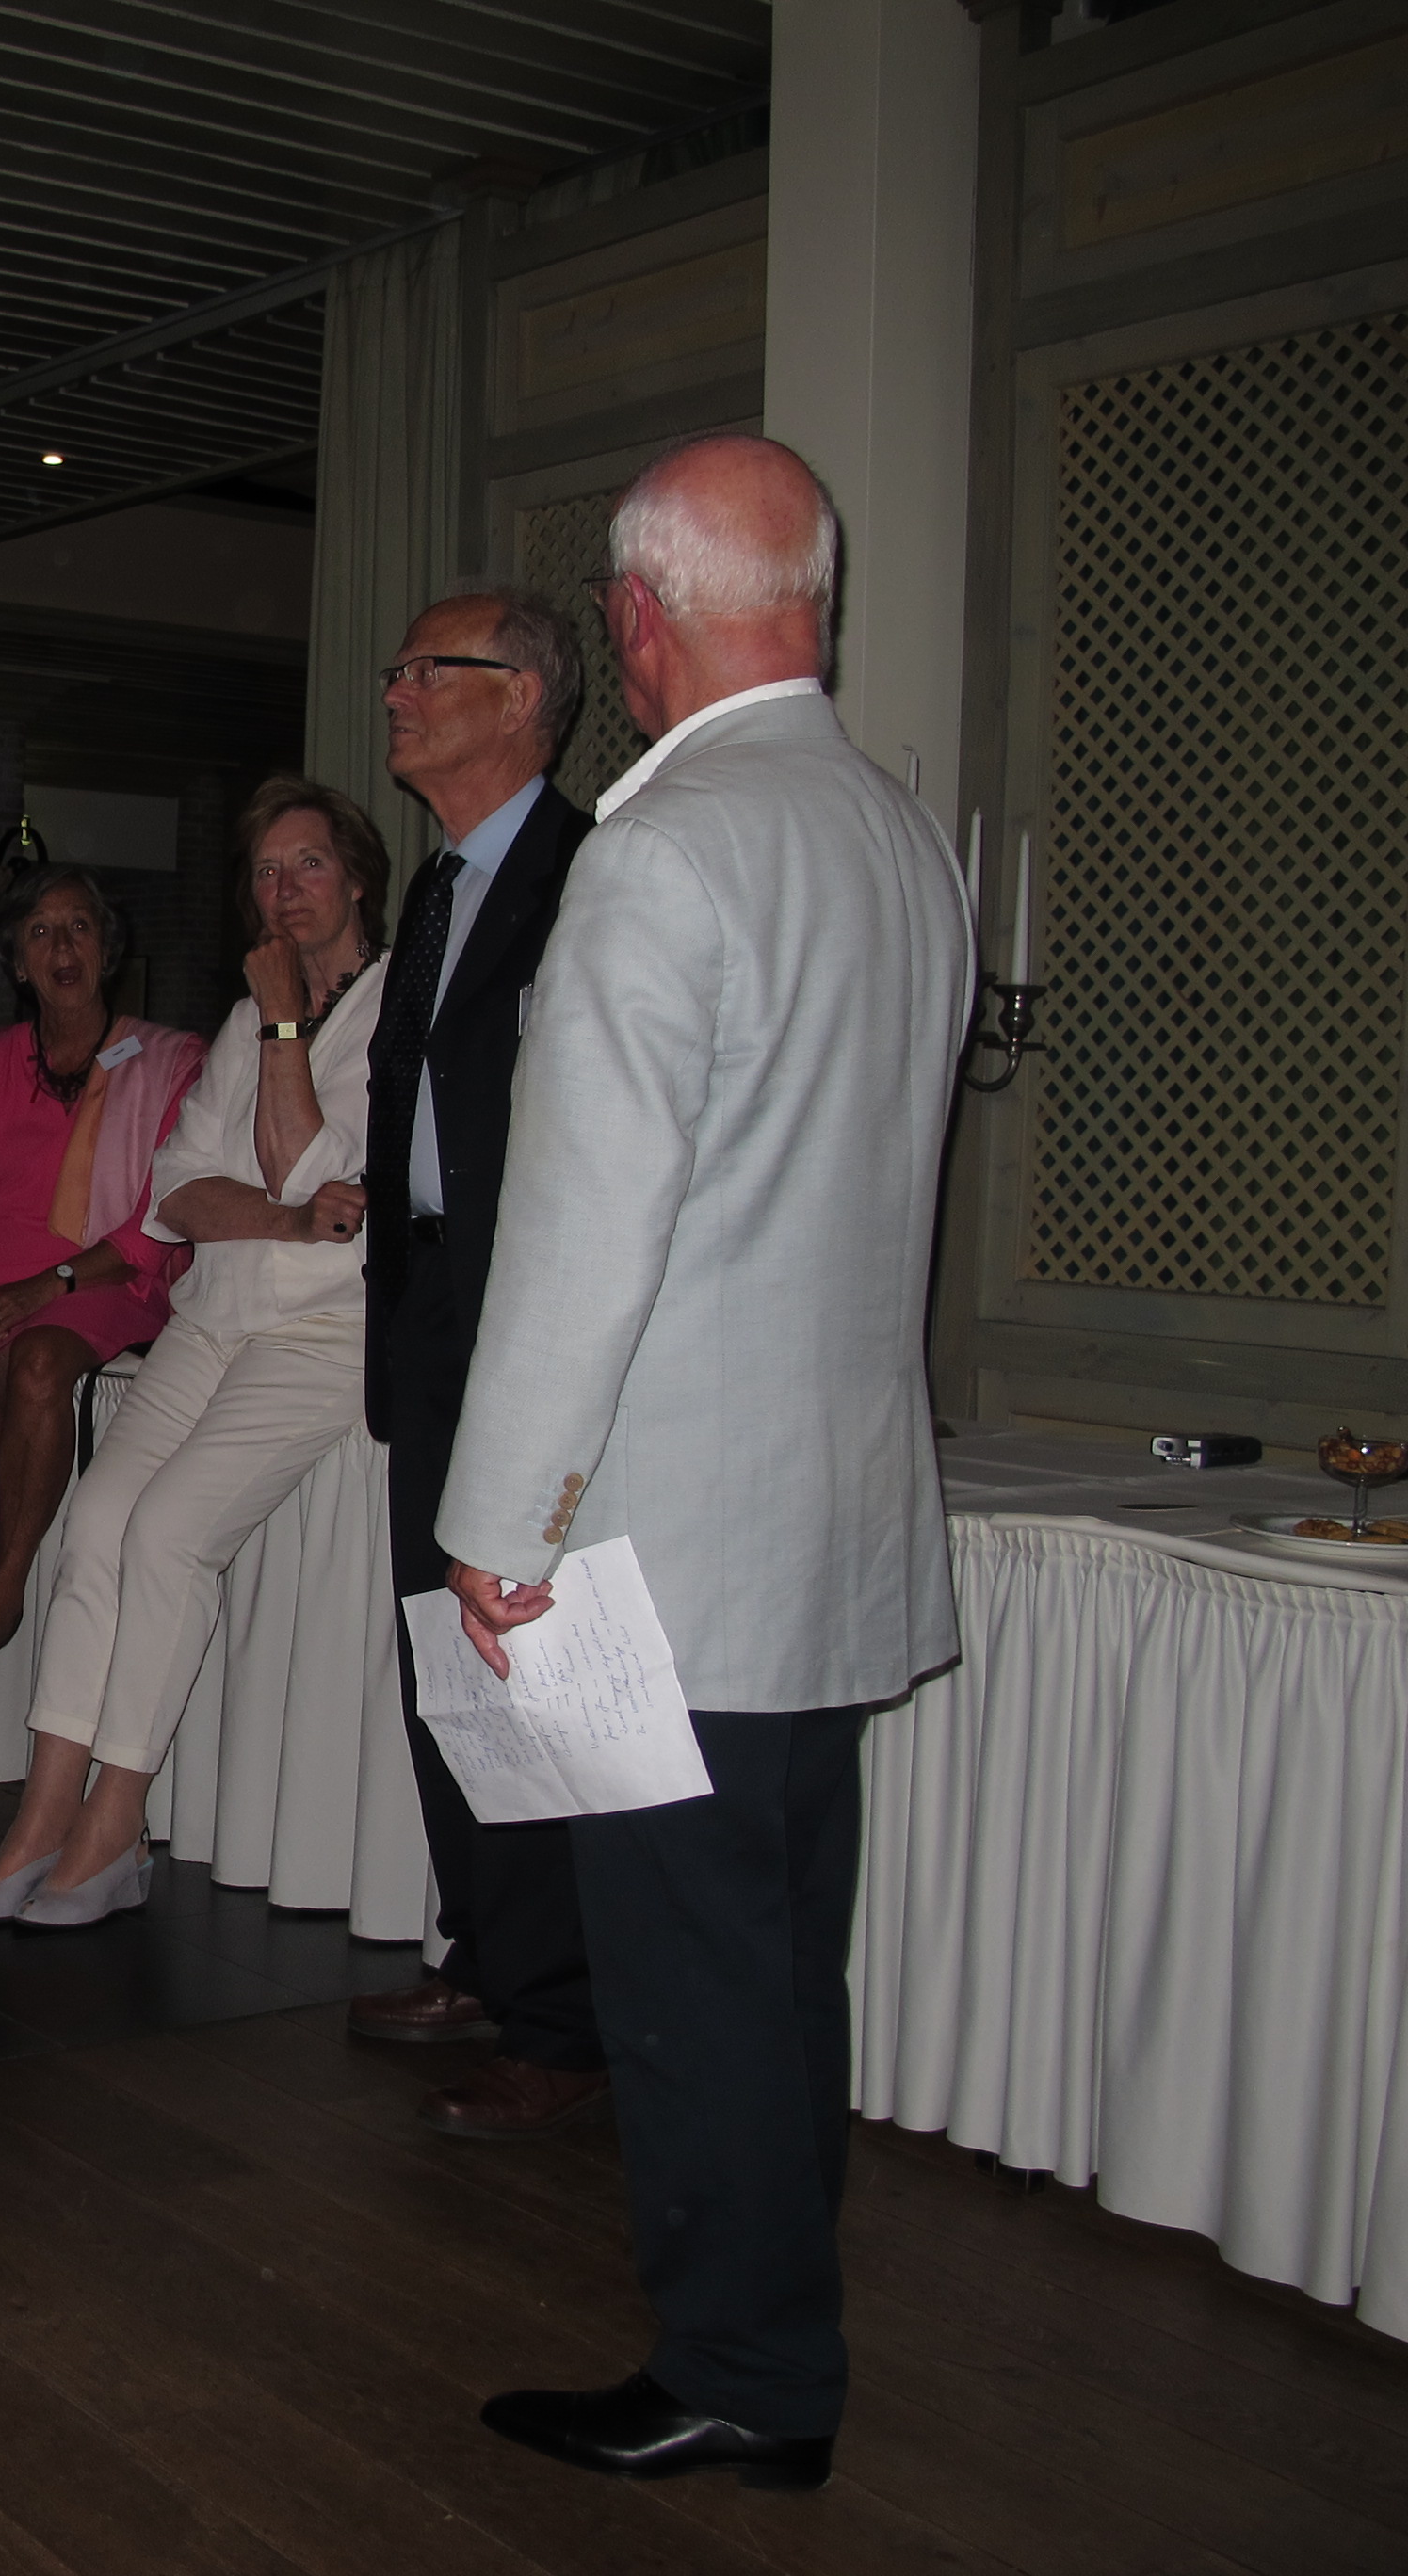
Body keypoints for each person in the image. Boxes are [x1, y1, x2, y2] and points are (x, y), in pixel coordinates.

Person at [448, 436, 967, 2488]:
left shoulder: (664, 851)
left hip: (666, 1556)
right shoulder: (898, 836)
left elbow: (586, 1238)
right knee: (775, 1970)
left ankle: (744, 2369)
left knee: (688, 1987)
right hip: (832, 1530)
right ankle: (774, 2345)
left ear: (640, 620)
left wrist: (496, 1526)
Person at [0, 794, 385, 1920]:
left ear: (357, 879)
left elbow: (302, 1168)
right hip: (214, 1317)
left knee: (167, 1533)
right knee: (96, 1522)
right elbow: (178, 1195)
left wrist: (285, 1028)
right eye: (267, 871)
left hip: (322, 1332)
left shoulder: (394, 1014)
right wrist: (286, 1218)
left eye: (309, 864)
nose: (285, 890)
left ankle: (115, 1826)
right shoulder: (243, 1023)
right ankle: (44, 1811)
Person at [345, 585, 608, 2133]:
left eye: (422, 670)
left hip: (533, 1312)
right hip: (435, 1308)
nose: (393, 691)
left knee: (526, 1660)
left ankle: (562, 2023)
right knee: (443, 1656)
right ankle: (488, 1951)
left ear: (516, 698)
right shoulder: (440, 891)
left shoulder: (590, 875)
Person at [0, 869, 206, 1768]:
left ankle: (5, 1591)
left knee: (39, 1365)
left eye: (78, 927)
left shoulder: (167, 1061)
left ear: (107, 949)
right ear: (19, 964)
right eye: (41, 932)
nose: (62, 946)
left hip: (104, 1274)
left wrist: (49, 1286)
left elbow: (155, 1219)